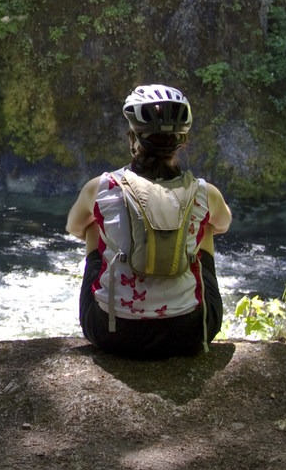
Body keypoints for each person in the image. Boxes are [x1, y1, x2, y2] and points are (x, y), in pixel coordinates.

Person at [66, 84, 232, 358]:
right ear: (184, 141)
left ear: (132, 137)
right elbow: (224, 224)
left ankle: (122, 302)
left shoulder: (101, 187)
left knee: (93, 223)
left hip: (112, 333)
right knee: (207, 227)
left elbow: (74, 228)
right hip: (191, 333)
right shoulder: (205, 192)